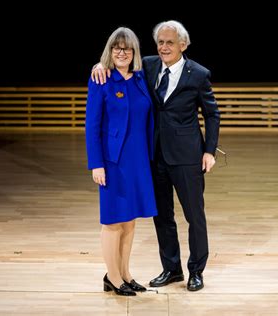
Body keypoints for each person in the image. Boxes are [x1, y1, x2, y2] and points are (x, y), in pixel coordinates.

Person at [92, 20, 220, 291]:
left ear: (183, 45)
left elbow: (212, 114)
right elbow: (117, 61)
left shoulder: (198, 74)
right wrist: (99, 65)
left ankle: (196, 270)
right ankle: (171, 268)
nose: (164, 47)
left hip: (187, 157)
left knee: (194, 216)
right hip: (153, 157)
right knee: (162, 216)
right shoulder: (145, 68)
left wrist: (209, 150)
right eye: (160, 42)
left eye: (169, 42)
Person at [85, 27, 157, 296]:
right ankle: (112, 278)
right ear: (109, 51)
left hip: (138, 160)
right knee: (113, 221)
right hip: (112, 161)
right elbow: (91, 125)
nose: (122, 52)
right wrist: (97, 164)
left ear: (134, 52)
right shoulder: (101, 78)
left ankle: (126, 273)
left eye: (127, 48)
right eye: (117, 48)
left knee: (130, 221)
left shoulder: (141, 77)